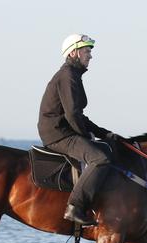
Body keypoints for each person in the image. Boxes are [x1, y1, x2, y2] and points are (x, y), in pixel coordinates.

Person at [37, 34, 121, 226]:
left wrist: (104, 134)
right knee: (100, 158)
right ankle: (74, 207)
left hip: (63, 130)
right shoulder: (67, 76)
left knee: (106, 148)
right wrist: (86, 137)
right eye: (87, 51)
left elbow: (79, 116)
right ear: (74, 52)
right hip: (58, 134)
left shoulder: (72, 74)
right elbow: (73, 115)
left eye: (90, 51)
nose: (90, 56)